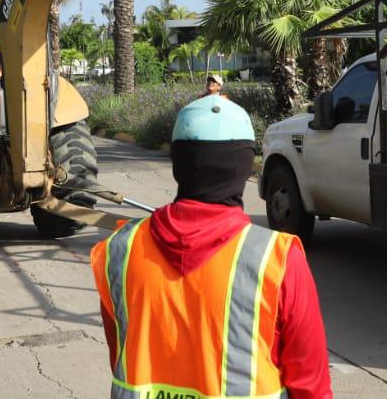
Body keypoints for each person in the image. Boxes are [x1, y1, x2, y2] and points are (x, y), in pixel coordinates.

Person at [90, 95, 332, 398]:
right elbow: (310, 384)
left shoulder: (119, 251)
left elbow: (121, 354)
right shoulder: (276, 259)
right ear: (244, 168)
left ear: (179, 164)